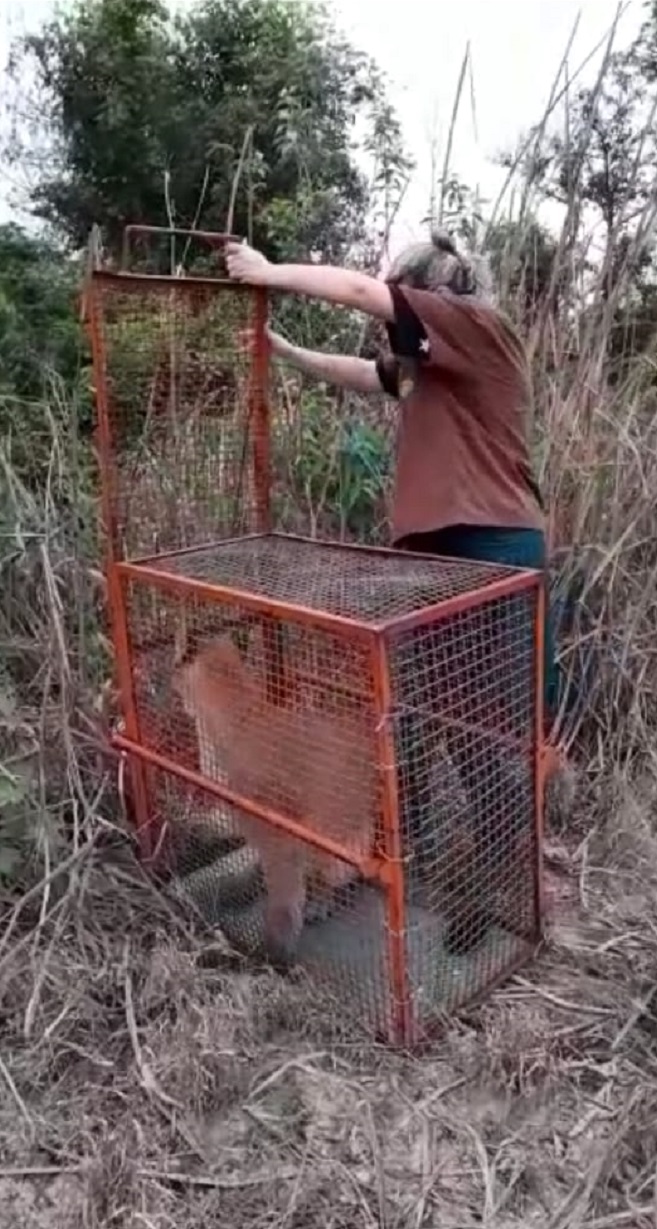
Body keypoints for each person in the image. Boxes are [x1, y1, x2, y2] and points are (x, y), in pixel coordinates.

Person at [225, 231, 558, 951]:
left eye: (397, 304)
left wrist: (267, 271)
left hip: (488, 548)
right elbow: (365, 374)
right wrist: (284, 352)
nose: (388, 326)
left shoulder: (473, 325)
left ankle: (500, 893)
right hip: (439, 555)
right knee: (413, 717)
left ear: (428, 291)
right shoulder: (434, 364)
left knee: (487, 732)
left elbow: (356, 290)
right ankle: (416, 868)